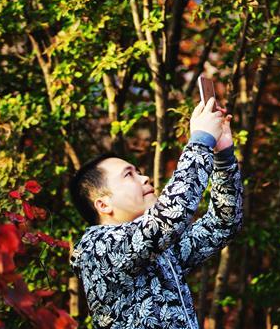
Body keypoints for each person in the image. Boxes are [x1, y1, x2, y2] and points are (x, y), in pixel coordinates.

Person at [69, 97, 242, 329]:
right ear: (103, 205)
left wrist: (223, 156)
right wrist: (200, 140)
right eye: (129, 175)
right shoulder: (97, 248)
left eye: (138, 171)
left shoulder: (160, 252)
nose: (144, 178)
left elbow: (222, 224)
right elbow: (168, 218)